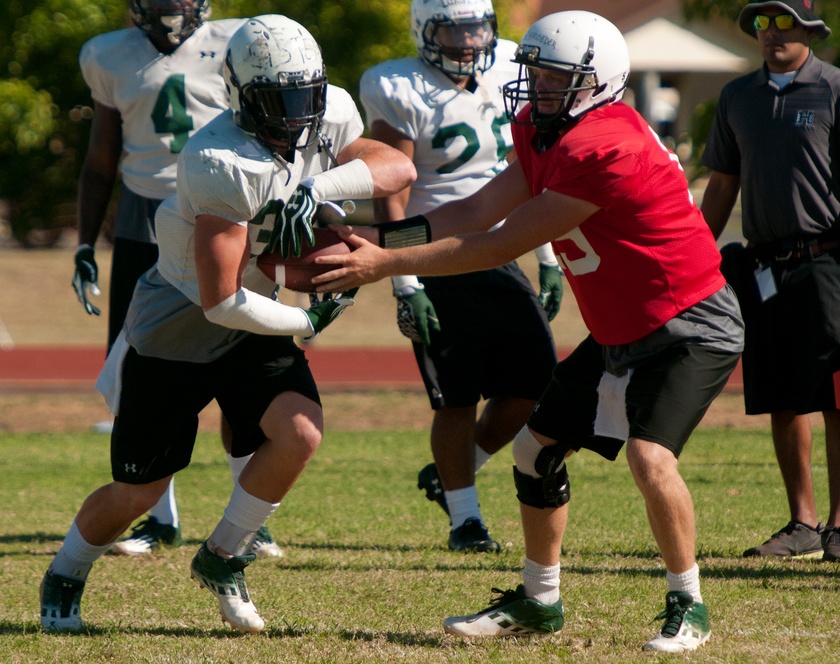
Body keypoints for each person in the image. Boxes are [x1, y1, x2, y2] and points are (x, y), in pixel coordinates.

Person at [317, 10, 743, 653]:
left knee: (650, 457)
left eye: (556, 77)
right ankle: (540, 601)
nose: (539, 87)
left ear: (599, 83)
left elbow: (496, 244)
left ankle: (689, 603)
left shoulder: (606, 146)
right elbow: (474, 208)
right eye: (536, 73)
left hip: (687, 322)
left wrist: (385, 263)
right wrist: (376, 236)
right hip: (620, 326)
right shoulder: (544, 131)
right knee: (532, 449)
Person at [39, 14, 416, 634]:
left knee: (300, 433)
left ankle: (221, 557)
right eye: (280, 100)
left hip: (254, 319)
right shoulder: (217, 157)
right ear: (242, 95)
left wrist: (316, 186)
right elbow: (220, 299)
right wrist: (306, 318)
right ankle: (68, 569)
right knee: (138, 493)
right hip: (183, 323)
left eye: (307, 96)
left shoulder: (330, 112)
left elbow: (397, 169)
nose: (299, 114)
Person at [72, 0, 284, 558]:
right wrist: (83, 241)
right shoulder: (107, 55)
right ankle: (157, 517)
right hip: (147, 219)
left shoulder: (240, 41)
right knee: (139, 368)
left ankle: (250, 515)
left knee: (245, 364)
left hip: (225, 207)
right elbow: (100, 158)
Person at [359, 0, 559, 553]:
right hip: (435, 253)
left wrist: (544, 256)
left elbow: (531, 168)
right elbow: (390, 189)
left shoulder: (511, 71)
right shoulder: (399, 87)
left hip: (500, 247)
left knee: (534, 383)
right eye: (453, 29)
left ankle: (454, 471)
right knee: (455, 397)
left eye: (477, 28)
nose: (468, 41)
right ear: (425, 30)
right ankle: (465, 520)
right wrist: (405, 279)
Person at [699, 0, 840, 563]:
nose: (771, 33)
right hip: (763, 266)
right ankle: (802, 523)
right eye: (762, 22)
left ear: (809, 28)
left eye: (784, 21)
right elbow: (721, 184)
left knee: (835, 394)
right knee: (782, 393)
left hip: (828, 260)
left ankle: (839, 526)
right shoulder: (737, 97)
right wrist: (692, 253)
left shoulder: (832, 88)